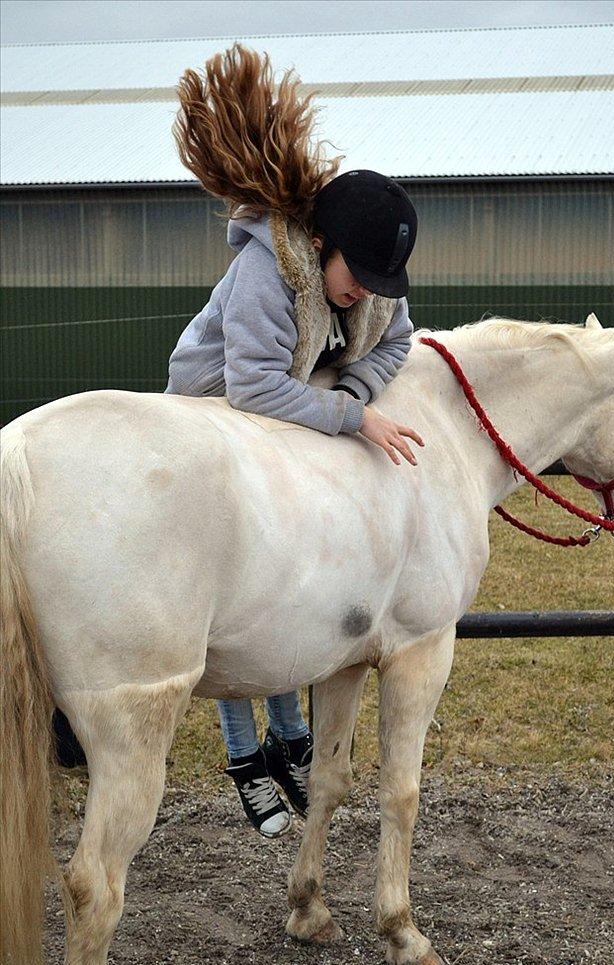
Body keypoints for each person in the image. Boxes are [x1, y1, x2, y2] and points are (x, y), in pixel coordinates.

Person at [165, 44, 422, 838]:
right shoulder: (263, 274)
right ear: (319, 244)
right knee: (235, 584)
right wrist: (359, 418)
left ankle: (293, 740)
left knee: (284, 582)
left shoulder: (368, 290)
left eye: (379, 287)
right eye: (360, 280)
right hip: (212, 411)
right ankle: (247, 755)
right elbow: (251, 389)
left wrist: (351, 388)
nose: (365, 298)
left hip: (291, 405)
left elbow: (398, 344)